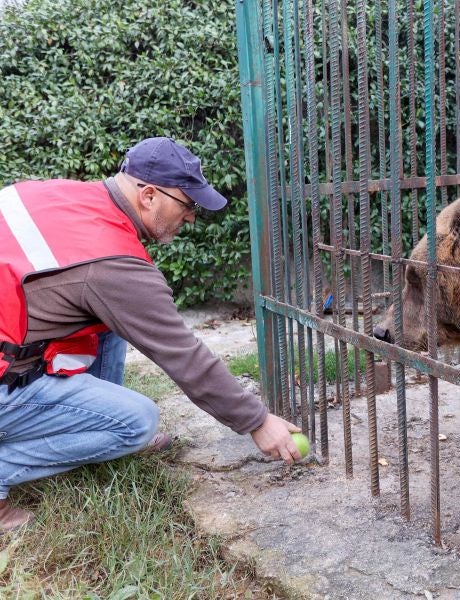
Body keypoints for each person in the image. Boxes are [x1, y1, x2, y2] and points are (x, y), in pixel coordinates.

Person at [0, 137, 302, 531]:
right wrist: (258, 421)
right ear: (148, 195)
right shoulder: (111, 263)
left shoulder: (57, 195)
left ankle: (88, 423)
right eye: (187, 205)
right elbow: (183, 355)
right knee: (137, 421)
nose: (191, 217)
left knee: (107, 324)